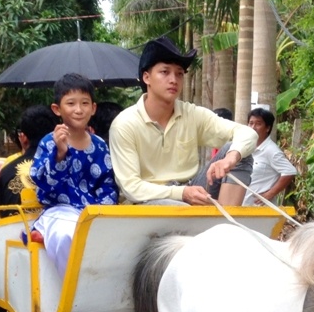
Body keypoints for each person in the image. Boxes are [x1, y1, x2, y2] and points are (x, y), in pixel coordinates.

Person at [108, 36, 257, 206]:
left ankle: (227, 218)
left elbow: (248, 134)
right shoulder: (125, 124)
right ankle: (213, 218)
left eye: (179, 74)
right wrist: (182, 194)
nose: (173, 80)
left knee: (240, 151)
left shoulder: (192, 114)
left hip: (193, 188)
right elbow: (131, 188)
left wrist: (231, 158)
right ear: (147, 77)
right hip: (148, 201)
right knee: (175, 207)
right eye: (165, 72)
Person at [29, 73, 118, 276]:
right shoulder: (49, 142)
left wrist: (102, 212)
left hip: (93, 213)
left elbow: (107, 184)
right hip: (58, 211)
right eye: (71, 103)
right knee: (66, 235)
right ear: (57, 109)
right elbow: (41, 182)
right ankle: (72, 289)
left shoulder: (100, 145)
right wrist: (60, 154)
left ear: (93, 108)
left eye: (85, 103)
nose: (79, 109)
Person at [0, 105, 58, 211]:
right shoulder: (65, 166)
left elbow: (0, 206)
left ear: (24, 137)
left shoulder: (7, 172)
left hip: (13, 222)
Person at [242, 107, 298, 206]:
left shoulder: (271, 150)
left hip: (260, 209)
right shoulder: (247, 147)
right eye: (251, 123)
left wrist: (270, 194)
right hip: (243, 207)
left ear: (267, 128)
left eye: (258, 124)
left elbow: (290, 171)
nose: (253, 127)